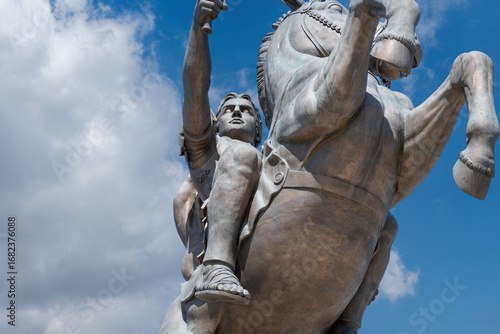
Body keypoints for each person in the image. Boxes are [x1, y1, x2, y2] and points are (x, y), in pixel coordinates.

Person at [176, 0, 262, 305]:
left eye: (247, 111)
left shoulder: (274, 158)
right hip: (213, 259)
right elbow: (195, 88)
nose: (237, 111)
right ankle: (217, 266)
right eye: (228, 109)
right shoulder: (206, 152)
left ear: (258, 130)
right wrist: (198, 29)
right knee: (243, 155)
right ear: (215, 123)